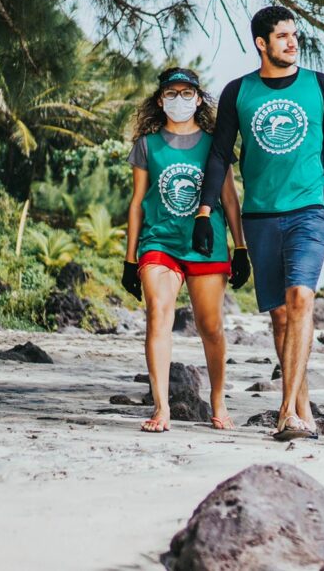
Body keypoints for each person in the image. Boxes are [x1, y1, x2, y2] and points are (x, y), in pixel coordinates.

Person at [192, 6, 324, 441]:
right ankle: (302, 409)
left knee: (302, 298)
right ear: (261, 44)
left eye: (295, 35)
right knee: (282, 318)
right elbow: (218, 155)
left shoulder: (320, 85)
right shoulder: (239, 92)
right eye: (282, 36)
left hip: (308, 210)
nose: (292, 42)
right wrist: (205, 212)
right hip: (260, 216)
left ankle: (285, 411)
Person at [122, 68, 250, 433]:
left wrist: (240, 248)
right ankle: (161, 407)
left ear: (198, 97)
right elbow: (136, 204)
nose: (180, 100)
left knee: (210, 327)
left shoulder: (215, 143)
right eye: (172, 93)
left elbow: (229, 198)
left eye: (187, 93)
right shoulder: (147, 144)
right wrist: (130, 260)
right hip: (159, 242)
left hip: (205, 245)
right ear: (160, 100)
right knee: (158, 314)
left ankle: (219, 398)